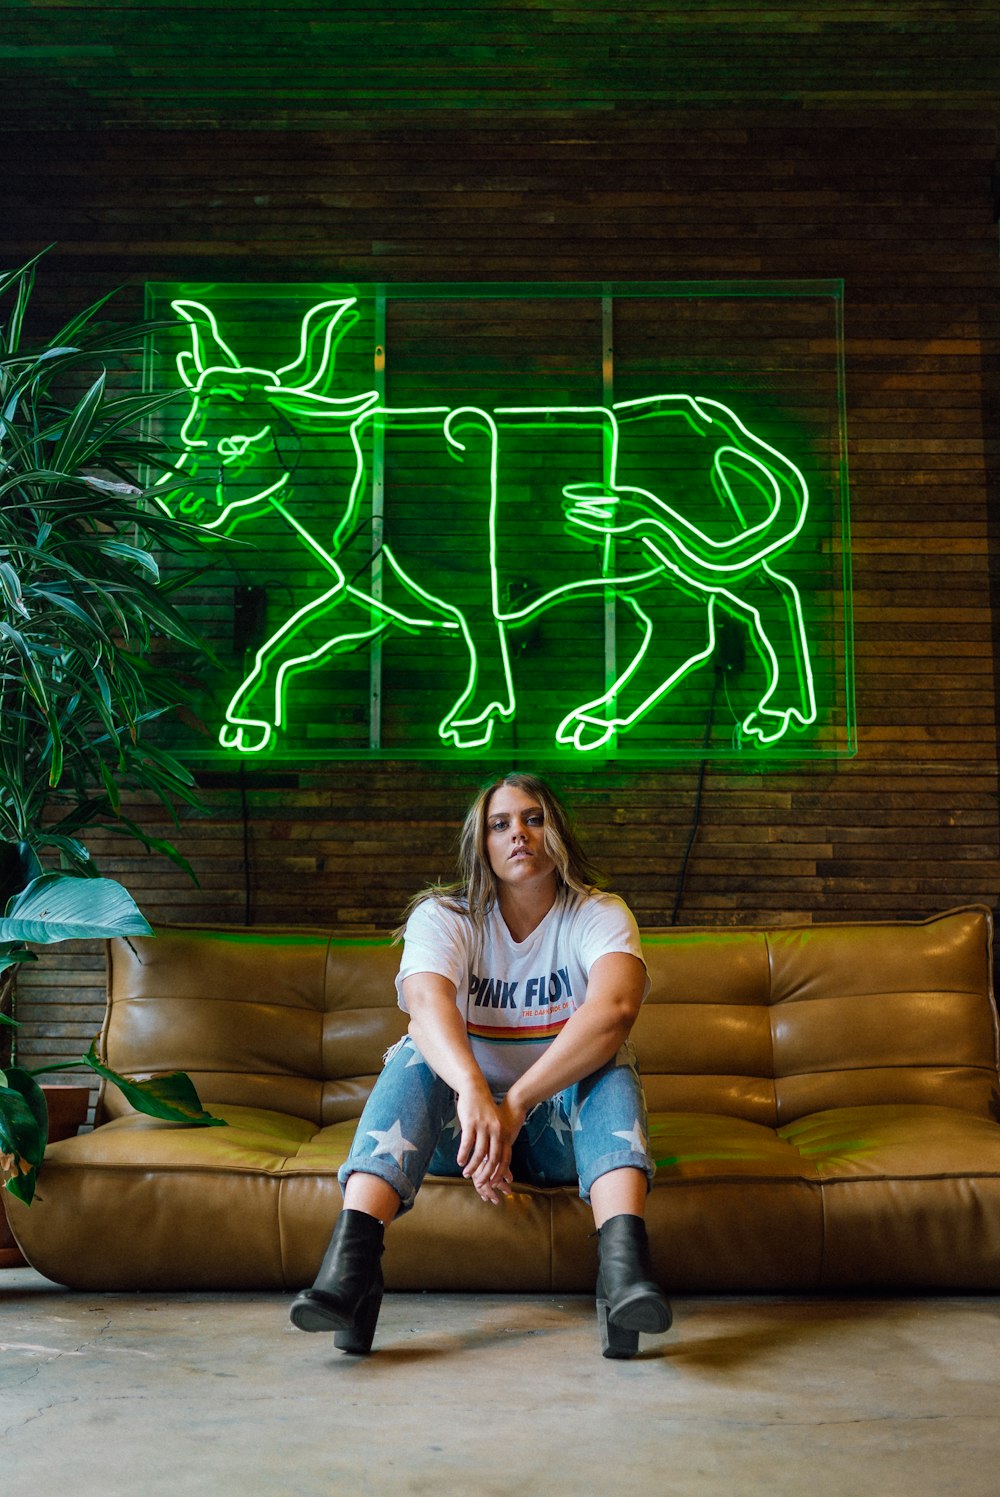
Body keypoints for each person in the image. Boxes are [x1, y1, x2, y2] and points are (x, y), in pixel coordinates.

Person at [289, 771, 671, 1358]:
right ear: (482, 845)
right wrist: (474, 1094)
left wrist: (514, 1105)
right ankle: (350, 1271)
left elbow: (616, 1009)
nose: (518, 833)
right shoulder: (445, 916)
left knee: (609, 1060)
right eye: (500, 824)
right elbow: (426, 1004)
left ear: (558, 833)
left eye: (534, 818)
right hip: (457, 1134)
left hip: (560, 1134)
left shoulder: (599, 913)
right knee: (418, 1051)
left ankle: (624, 1278)